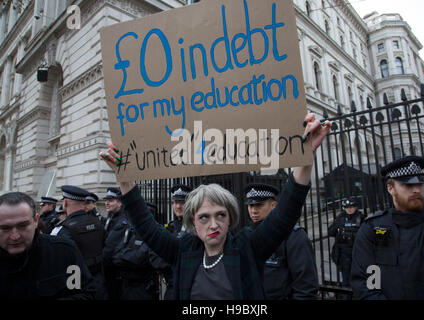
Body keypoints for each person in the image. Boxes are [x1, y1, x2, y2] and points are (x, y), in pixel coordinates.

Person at [100, 113, 330, 299]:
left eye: (221, 215)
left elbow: (285, 214)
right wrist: (124, 179)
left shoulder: (247, 248)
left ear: (230, 218)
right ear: (192, 222)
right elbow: (145, 224)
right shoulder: (182, 250)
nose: (214, 224)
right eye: (204, 217)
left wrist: (304, 160)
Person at [351, 155, 424, 300]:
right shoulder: (372, 228)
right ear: (390, 188)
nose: (416, 190)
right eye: (408, 185)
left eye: (420, 184)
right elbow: (365, 283)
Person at [0, 191, 95, 299]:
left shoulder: (63, 252)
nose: (15, 236)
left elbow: (84, 293)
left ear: (36, 221)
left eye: (22, 226)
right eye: (5, 228)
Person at [245, 183, 319, 299]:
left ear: (273, 205)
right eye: (250, 206)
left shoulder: (293, 236)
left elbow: (305, 288)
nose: (254, 211)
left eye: (259, 205)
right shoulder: (246, 235)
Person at [51, 185, 107, 299]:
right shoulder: (98, 223)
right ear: (84, 203)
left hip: (76, 285)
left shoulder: (63, 229)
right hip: (99, 282)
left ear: (65, 203)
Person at [110, 201, 171, 300]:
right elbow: (115, 256)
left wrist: (125, 255)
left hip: (143, 288)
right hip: (126, 286)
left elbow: (141, 258)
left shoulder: (152, 236)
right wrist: (129, 257)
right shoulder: (130, 233)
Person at [328, 196, 365, 298]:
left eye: (352, 206)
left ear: (356, 207)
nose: (349, 209)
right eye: (347, 207)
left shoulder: (361, 217)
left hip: (357, 253)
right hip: (343, 253)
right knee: (346, 281)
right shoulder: (340, 217)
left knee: (359, 279)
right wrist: (338, 226)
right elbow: (330, 232)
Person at [102, 187, 129, 299]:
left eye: (111, 200)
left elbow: (109, 248)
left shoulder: (122, 221)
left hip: (115, 271)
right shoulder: (110, 217)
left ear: (120, 203)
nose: (107, 203)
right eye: (107, 200)